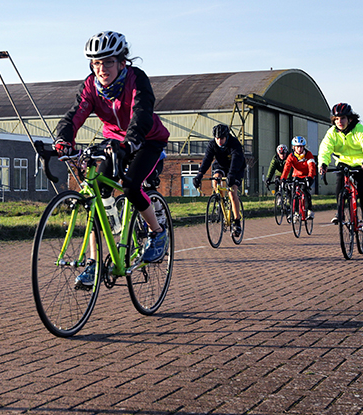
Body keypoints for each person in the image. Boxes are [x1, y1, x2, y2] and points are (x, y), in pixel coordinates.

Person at [54, 31, 170, 288]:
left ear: (121, 62)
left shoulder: (136, 79)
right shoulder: (90, 86)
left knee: (130, 185)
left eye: (107, 62)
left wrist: (130, 142)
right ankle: (95, 263)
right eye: (96, 63)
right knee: (97, 193)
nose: (102, 68)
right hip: (113, 142)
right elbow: (76, 114)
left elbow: (142, 112)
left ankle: (157, 233)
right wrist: (64, 139)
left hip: (147, 139)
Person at [318, 102, 363, 239]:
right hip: (343, 163)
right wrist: (323, 164)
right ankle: (340, 212)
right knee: (340, 183)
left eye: (342, 118)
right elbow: (325, 149)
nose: (339, 121)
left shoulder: (359, 130)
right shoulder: (332, 133)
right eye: (336, 119)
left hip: (360, 163)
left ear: (349, 118)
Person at [192, 123, 246, 238]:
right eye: (217, 138)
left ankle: (237, 222)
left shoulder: (234, 143)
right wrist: (200, 175)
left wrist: (231, 175)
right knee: (216, 179)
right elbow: (207, 159)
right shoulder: (212, 144)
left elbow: (237, 159)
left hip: (236, 167)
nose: (219, 141)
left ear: (226, 137)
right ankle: (220, 201)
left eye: (221, 138)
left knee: (232, 193)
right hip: (221, 165)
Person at [281, 135, 317, 219]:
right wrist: (283, 179)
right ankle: (295, 212)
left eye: (301, 147)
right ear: (294, 147)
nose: (299, 149)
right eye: (297, 147)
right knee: (292, 191)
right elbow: (286, 168)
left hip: (308, 175)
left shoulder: (308, 154)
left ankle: (310, 210)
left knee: (305, 189)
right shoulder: (291, 156)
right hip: (296, 175)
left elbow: (311, 167)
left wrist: (310, 177)